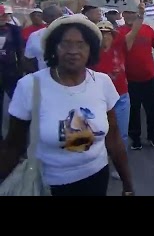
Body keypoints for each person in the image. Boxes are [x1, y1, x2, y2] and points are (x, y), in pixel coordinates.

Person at [0, 14, 134, 196]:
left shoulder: (102, 83)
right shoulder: (30, 86)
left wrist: (128, 185)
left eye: (81, 45)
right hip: (50, 185)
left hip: (97, 178)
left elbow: (114, 138)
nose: (73, 51)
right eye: (65, 44)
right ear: (54, 47)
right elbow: (13, 145)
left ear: (91, 49)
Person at [92, 12, 144, 179]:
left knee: (121, 134)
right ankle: (101, 163)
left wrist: (141, 14)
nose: (105, 36)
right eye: (101, 33)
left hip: (121, 98)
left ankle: (119, 165)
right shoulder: (90, 54)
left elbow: (134, 30)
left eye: (107, 33)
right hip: (98, 101)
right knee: (99, 134)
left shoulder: (120, 46)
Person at [118, 6, 154, 150]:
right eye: (128, 12)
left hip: (149, 77)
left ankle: (153, 135)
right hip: (130, 80)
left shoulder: (147, 29)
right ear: (123, 14)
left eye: (133, 12)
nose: (131, 15)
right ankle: (135, 138)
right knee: (133, 112)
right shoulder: (119, 33)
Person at [0, 5, 24, 140]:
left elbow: (20, 50)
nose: (4, 18)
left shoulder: (14, 29)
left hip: (11, 72)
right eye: (2, 15)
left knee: (17, 104)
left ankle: (17, 136)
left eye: (6, 15)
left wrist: (21, 69)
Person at [24, 5, 64, 73]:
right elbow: (28, 59)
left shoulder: (70, 34)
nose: (54, 19)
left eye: (59, 16)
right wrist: (38, 76)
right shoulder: (34, 36)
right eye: (51, 17)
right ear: (45, 18)